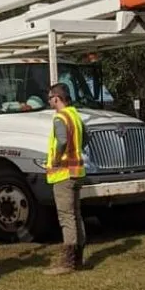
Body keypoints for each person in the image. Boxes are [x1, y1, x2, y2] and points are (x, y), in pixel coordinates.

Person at [44, 82, 87, 274]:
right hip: (77, 171)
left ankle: (68, 262)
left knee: (66, 217)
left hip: (63, 173)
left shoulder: (60, 117)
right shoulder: (75, 116)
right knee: (76, 214)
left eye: (50, 98)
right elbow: (86, 138)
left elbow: (61, 140)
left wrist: (55, 159)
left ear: (56, 98)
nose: (49, 101)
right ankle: (78, 257)